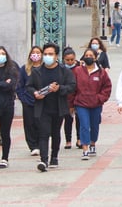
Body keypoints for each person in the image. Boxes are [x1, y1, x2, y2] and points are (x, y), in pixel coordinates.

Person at [27, 43, 77, 172]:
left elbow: (72, 86)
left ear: (56, 56)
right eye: (46, 54)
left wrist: (60, 88)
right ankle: (44, 160)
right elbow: (29, 86)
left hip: (58, 107)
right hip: (43, 107)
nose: (47, 56)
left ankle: (54, 156)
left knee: (55, 133)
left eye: (51, 54)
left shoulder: (64, 71)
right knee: (44, 133)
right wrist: (35, 93)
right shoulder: (37, 71)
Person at [70, 47, 112, 160]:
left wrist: (99, 98)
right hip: (81, 103)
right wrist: (71, 104)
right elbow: (72, 88)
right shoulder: (77, 71)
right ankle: (85, 148)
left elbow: (107, 87)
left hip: (95, 104)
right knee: (84, 125)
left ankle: (93, 143)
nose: (88, 58)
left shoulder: (101, 72)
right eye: (86, 55)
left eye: (91, 56)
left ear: (95, 57)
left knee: (94, 125)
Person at [16, 46, 43, 155]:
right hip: (28, 101)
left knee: (41, 123)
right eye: (33, 52)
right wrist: (23, 98)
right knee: (29, 123)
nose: (35, 55)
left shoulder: (45, 68)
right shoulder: (24, 69)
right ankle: (33, 146)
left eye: (38, 52)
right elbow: (20, 85)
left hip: (41, 100)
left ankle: (42, 144)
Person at [61, 48, 81, 149]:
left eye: (72, 60)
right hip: (66, 99)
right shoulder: (61, 69)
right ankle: (68, 141)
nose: (70, 62)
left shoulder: (79, 69)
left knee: (79, 120)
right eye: (67, 60)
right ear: (64, 59)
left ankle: (79, 139)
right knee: (68, 120)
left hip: (78, 98)